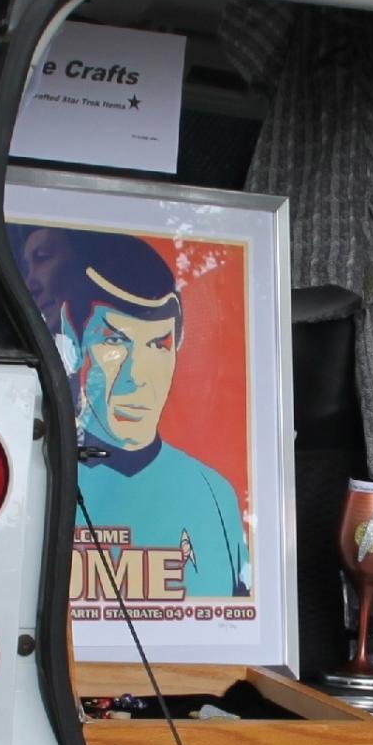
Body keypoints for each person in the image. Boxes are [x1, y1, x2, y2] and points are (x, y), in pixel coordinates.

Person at [23, 226, 252, 600]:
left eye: (158, 345)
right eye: (114, 341)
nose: (137, 377)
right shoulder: (36, 482)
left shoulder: (214, 495)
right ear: (76, 342)